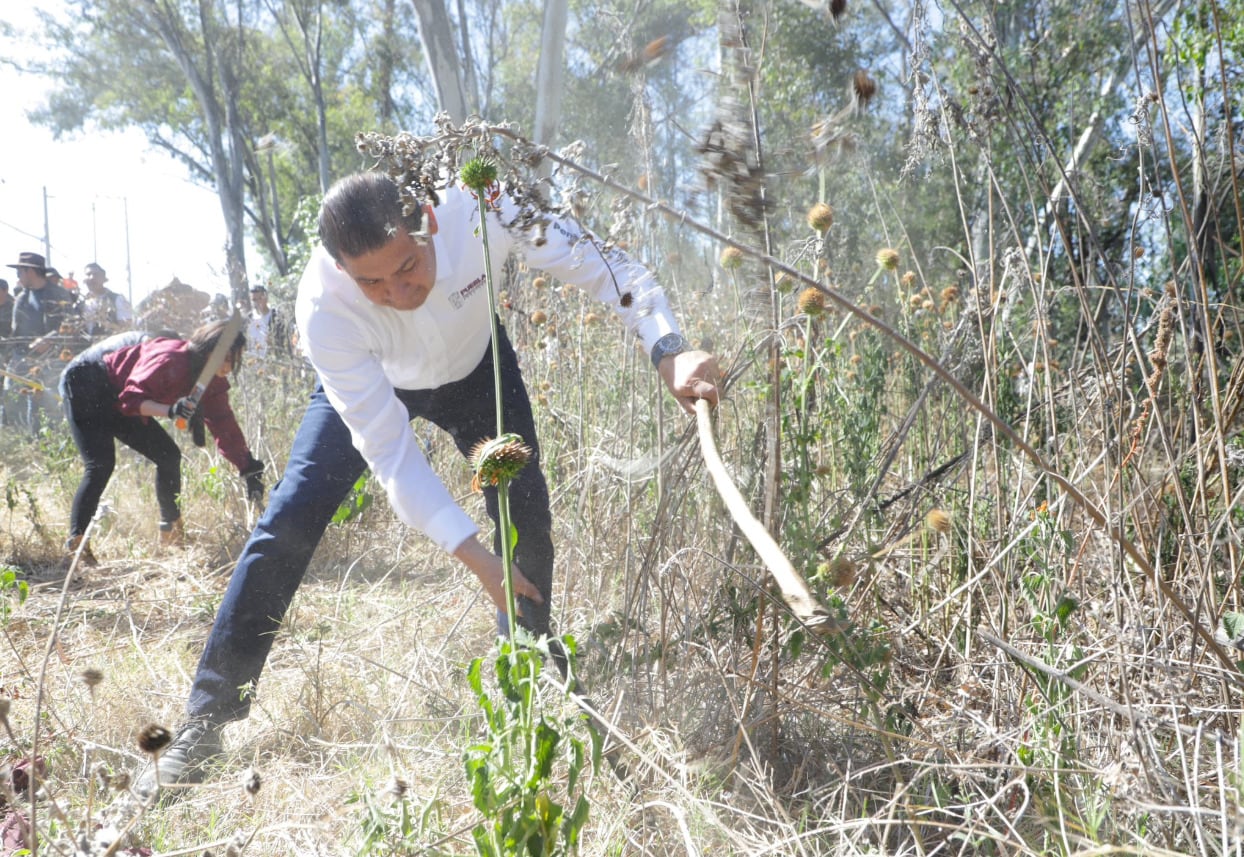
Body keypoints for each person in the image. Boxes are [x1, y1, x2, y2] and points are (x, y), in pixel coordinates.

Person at [129, 169, 718, 800]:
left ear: (429, 223)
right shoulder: (325, 309)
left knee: (525, 516)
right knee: (289, 521)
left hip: (477, 367)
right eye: (371, 281)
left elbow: (608, 265)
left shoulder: (480, 203)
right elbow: (390, 454)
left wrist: (668, 348)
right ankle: (205, 722)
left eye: (407, 266)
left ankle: (526, 679)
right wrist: (472, 556)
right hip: (377, 382)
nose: (395, 292)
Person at [59, 319, 266, 565]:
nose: (230, 367)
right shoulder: (169, 357)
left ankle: (171, 536)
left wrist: (246, 466)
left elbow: (223, 423)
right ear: (212, 351)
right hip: (85, 382)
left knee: (168, 456)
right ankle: (77, 545)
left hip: (117, 396)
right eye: (229, 358)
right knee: (101, 464)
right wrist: (170, 410)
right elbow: (131, 400)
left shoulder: (213, 379)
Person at [8, 251, 78, 356]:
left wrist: (49, 339)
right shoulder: (21, 298)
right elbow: (15, 333)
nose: (18, 277)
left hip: (53, 360)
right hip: (24, 359)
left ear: (30, 271)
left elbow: (70, 324)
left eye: (19, 273)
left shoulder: (59, 294)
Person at [80, 262, 134, 336]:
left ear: (103, 278)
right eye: (88, 275)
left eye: (96, 274)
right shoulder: (80, 305)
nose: (92, 278)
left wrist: (106, 324)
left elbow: (127, 329)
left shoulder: (117, 299)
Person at [245, 284, 285, 358]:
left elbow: (283, 341)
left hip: (273, 361)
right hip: (254, 362)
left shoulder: (276, 316)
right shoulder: (248, 319)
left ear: (266, 298)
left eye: (260, 298)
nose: (257, 302)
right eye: (254, 299)